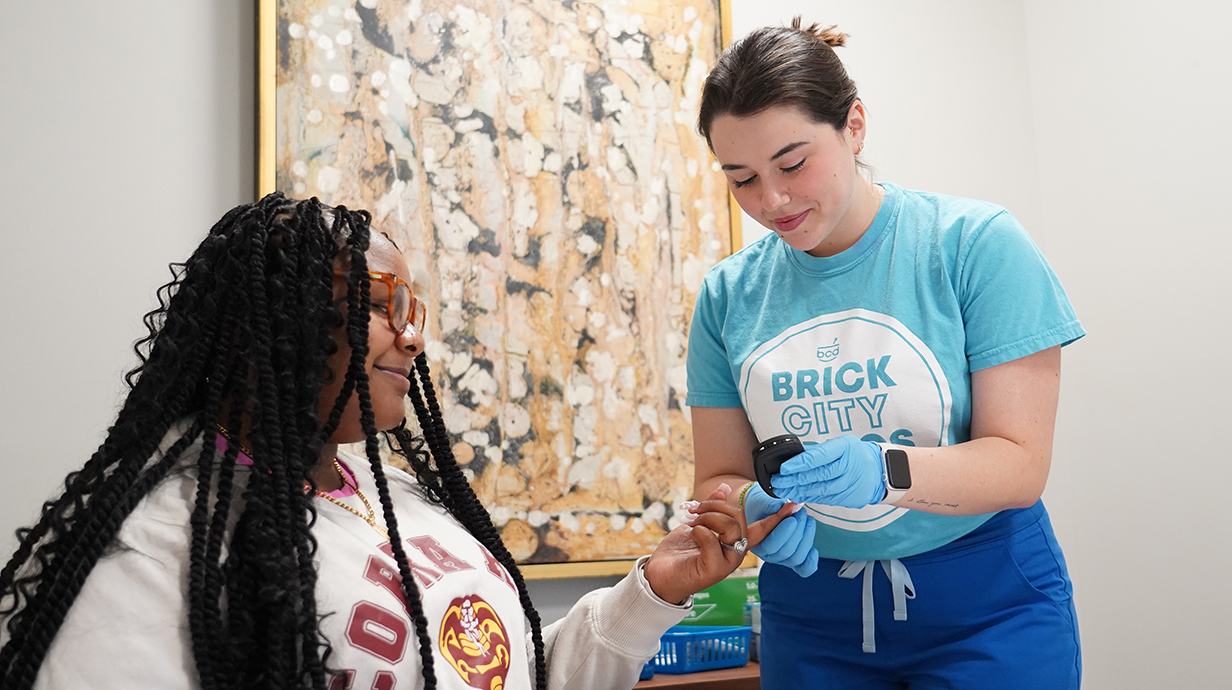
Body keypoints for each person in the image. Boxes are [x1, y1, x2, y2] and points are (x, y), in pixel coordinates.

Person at [0, 193, 783, 690]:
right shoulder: (150, 552)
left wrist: (655, 589)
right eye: (380, 306)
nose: (414, 338)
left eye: (415, 307)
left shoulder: (401, 497)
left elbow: (503, 672)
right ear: (267, 330)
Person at [686, 18, 1085, 690]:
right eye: (741, 178)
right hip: (809, 613)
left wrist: (886, 470)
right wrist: (751, 511)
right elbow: (718, 477)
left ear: (856, 126)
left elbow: (1020, 464)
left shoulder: (975, 246)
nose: (772, 200)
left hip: (986, 607)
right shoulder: (728, 296)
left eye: (792, 163)